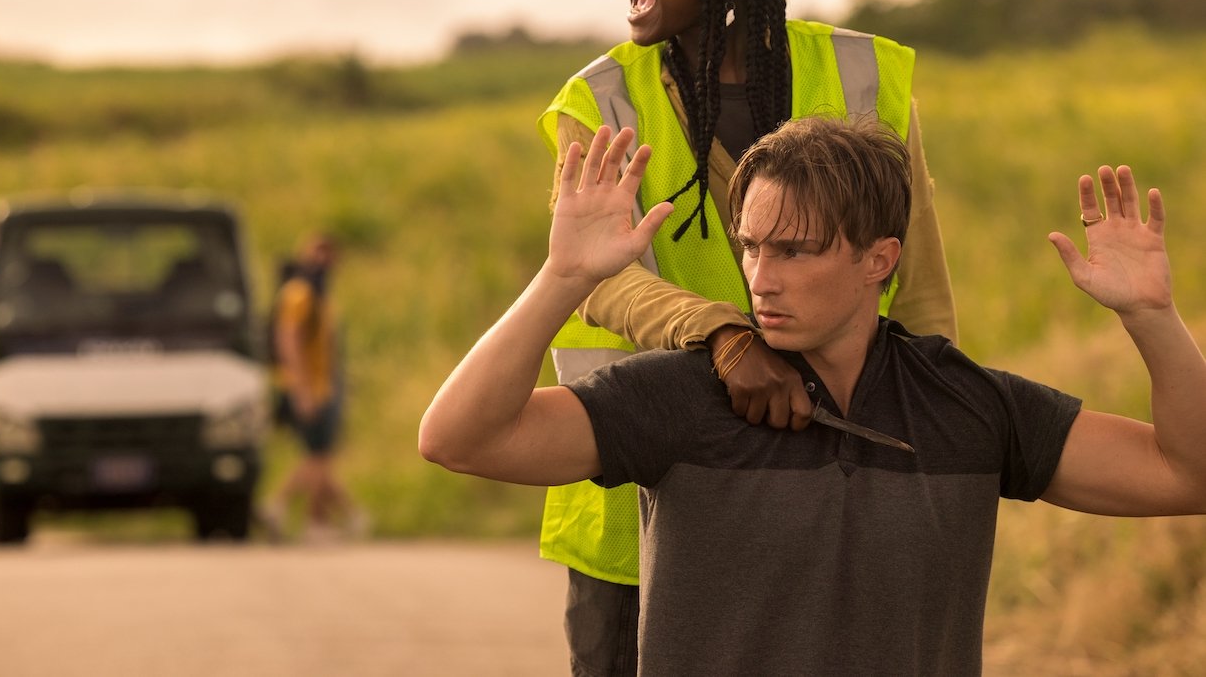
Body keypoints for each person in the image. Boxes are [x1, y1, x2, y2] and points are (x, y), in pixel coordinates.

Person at [421, 119, 1206, 675]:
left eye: (795, 250)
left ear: (879, 258)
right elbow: (458, 438)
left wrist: (1153, 318)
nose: (762, 276)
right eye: (753, 247)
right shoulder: (680, 396)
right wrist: (564, 275)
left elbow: (1188, 474)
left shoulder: (966, 405)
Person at [537, 0, 958, 671]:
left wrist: (933, 461)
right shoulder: (601, 102)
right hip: (635, 505)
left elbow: (919, 293)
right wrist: (723, 337)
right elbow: (598, 279)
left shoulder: (861, 80)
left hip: (825, 499)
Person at [263, 232, 367, 543]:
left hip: (323, 385)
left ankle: (317, 518)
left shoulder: (320, 295)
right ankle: (289, 509)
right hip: (307, 388)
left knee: (319, 458)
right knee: (318, 458)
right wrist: (302, 388)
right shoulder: (299, 293)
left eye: (329, 253)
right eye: (318, 252)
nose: (324, 260)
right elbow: (287, 339)